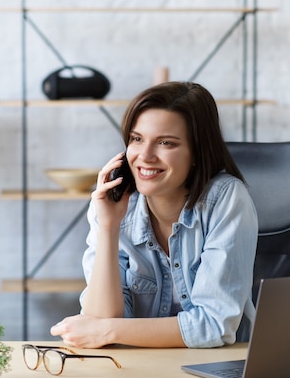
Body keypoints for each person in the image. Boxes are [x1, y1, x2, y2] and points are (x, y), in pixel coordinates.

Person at [50, 81, 258, 348]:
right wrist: (109, 227)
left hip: (218, 364)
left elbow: (214, 326)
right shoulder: (114, 204)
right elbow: (99, 318)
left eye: (165, 143)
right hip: (140, 365)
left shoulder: (226, 199)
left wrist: (110, 331)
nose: (145, 156)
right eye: (137, 139)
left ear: (196, 152)